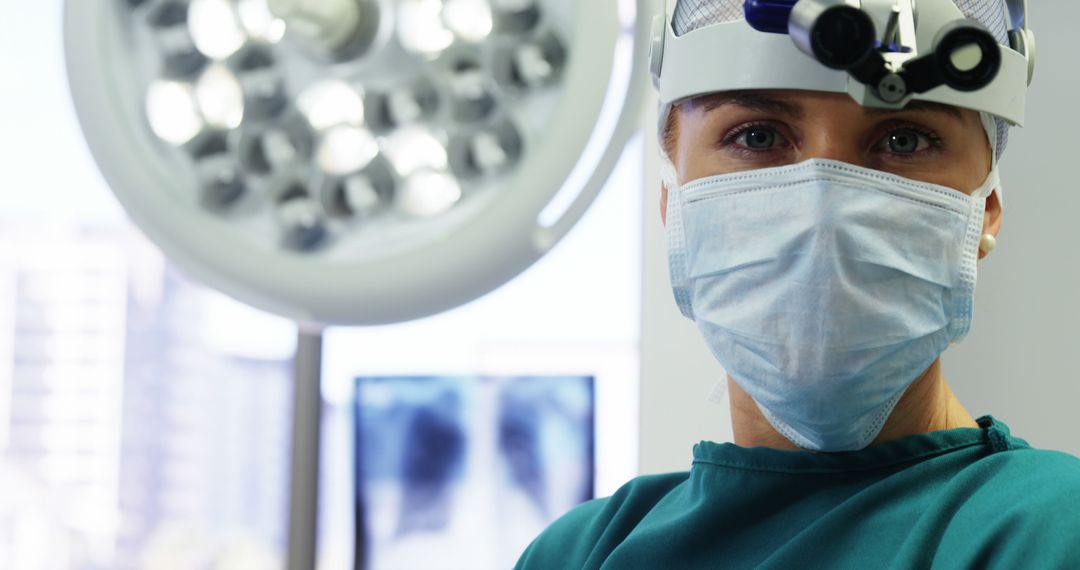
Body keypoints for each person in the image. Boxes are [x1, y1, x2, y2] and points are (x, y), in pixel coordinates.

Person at [516, 0, 1080, 567]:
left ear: (984, 210)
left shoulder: (1044, 531)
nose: (823, 213)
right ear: (674, 202)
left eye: (904, 140)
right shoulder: (578, 553)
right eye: (758, 137)